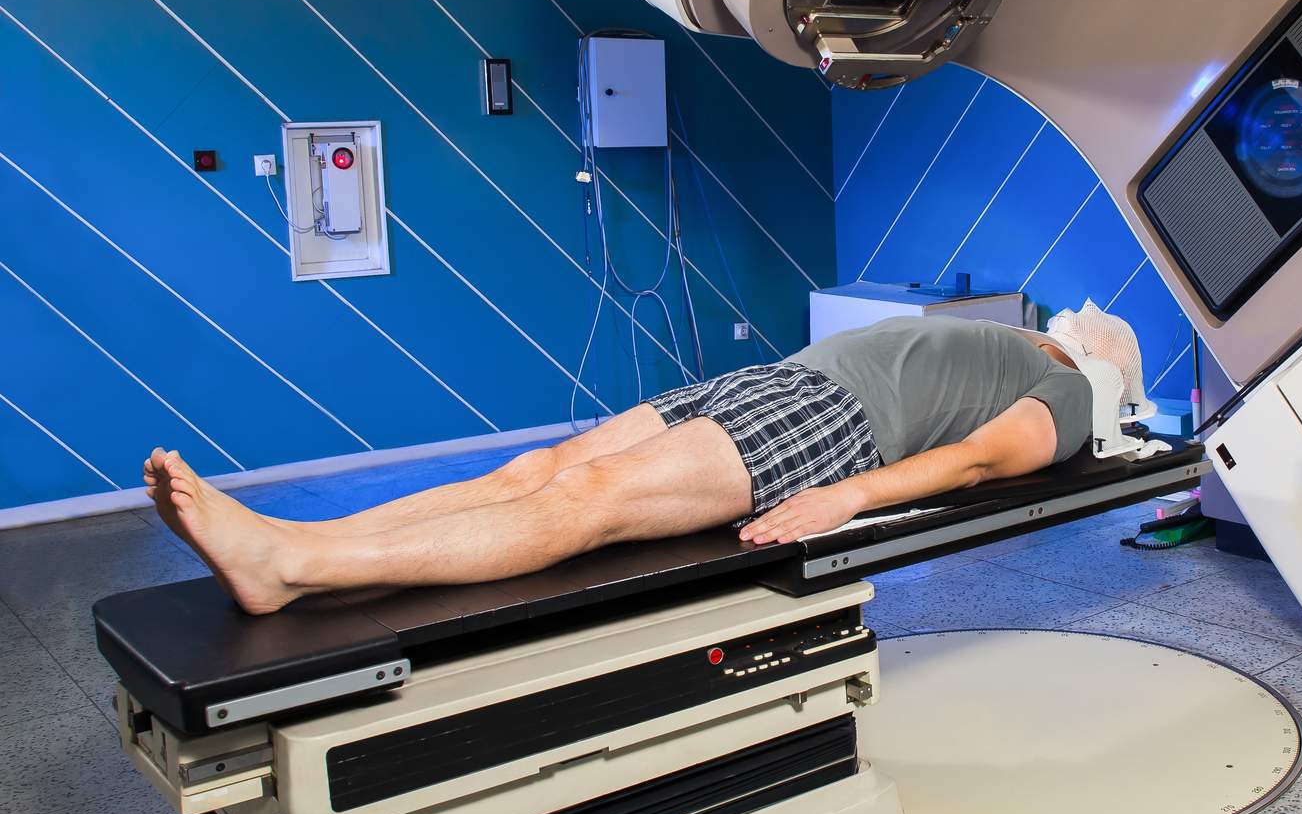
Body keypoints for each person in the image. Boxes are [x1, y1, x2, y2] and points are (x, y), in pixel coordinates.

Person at [143, 301, 1145, 617]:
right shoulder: (1019, 338)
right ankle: (297, 536)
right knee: (537, 467)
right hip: (775, 379)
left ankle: (294, 566)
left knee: (588, 498)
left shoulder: (1069, 391)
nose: (1063, 323)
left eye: (1076, 328)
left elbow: (977, 460)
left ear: (1095, 357)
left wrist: (847, 494)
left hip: (829, 423)